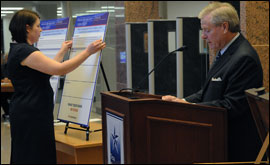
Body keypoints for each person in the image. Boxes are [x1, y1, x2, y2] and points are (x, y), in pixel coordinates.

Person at [162, 2, 263, 162]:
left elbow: (232, 105)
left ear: (224, 27)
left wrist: (191, 108)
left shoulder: (244, 58)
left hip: (234, 148)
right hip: (216, 139)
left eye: (207, 30)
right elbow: (207, 91)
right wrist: (181, 102)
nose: (203, 36)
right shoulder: (225, 52)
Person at [7, 10, 106, 164]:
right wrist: (88, 52)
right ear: (27, 28)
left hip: (30, 112)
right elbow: (60, 70)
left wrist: (62, 51)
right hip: (31, 115)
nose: (41, 30)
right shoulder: (25, 51)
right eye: (38, 26)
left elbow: (46, 72)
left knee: (31, 154)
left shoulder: (19, 50)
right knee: (33, 156)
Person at [1, 53, 13, 122]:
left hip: (15, 89)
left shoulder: (17, 67)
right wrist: (4, 79)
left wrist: (10, 79)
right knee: (2, 96)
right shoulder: (2, 67)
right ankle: (7, 114)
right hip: (4, 89)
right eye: (7, 58)